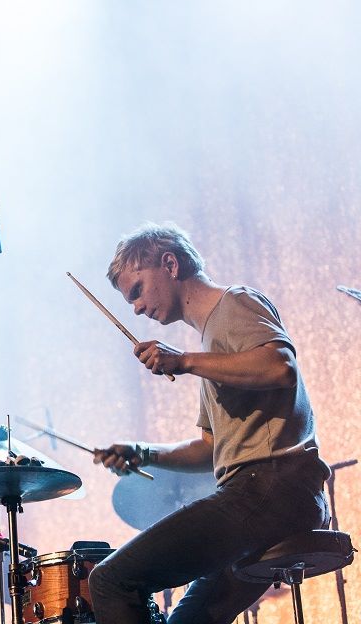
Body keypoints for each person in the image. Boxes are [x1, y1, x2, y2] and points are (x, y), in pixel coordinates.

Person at [87, 223, 330, 624]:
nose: (137, 308)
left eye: (137, 291)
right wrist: (143, 453)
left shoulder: (234, 303)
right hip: (271, 496)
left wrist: (183, 361)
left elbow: (280, 367)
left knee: (111, 581)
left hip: (271, 489)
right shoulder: (212, 345)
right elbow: (210, 448)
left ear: (170, 265)